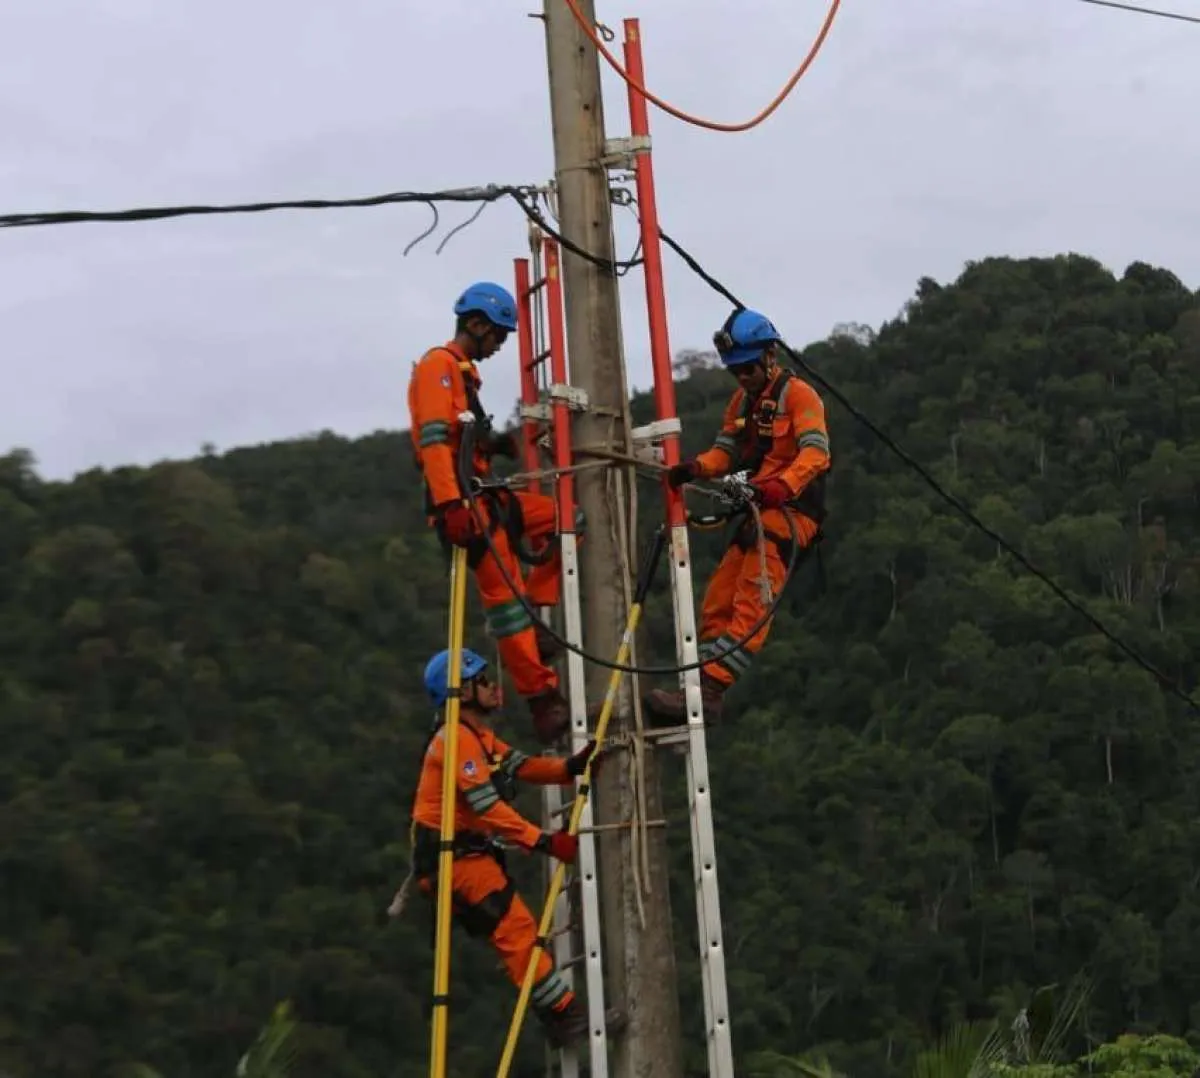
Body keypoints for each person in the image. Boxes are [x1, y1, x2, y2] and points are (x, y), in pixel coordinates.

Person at [643, 307, 831, 725]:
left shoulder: (800, 396)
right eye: (736, 372)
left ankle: (712, 688)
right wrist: (696, 468)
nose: (742, 377)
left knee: (751, 596)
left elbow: (817, 452)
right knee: (718, 601)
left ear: (769, 355)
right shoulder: (742, 403)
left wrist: (783, 485)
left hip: (790, 513)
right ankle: (701, 691)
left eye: (747, 368)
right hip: (758, 512)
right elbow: (725, 451)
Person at [407, 281, 574, 745]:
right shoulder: (438, 367)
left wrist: (492, 443)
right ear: (475, 325)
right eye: (497, 335)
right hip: (465, 506)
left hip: (485, 497)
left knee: (568, 519)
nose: (499, 345)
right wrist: (450, 506)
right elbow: (436, 443)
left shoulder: (462, 376)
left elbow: (460, 439)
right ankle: (543, 699)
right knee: (506, 605)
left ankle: (540, 616)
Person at [405, 647, 596, 1048]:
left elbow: (520, 765)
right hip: (451, 861)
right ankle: (566, 1016)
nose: (494, 686)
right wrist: (542, 841)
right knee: (516, 930)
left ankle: (560, 1019)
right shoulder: (455, 740)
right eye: (483, 680)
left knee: (516, 930)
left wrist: (568, 768)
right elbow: (486, 806)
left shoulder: (477, 736)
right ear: (463, 692)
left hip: (463, 857)